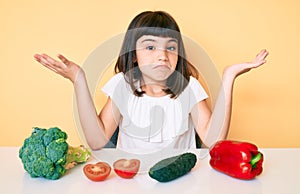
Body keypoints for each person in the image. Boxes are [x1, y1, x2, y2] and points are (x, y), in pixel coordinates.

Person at [34, 11, 268, 153]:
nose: (162, 55)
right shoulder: (122, 86)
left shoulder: (189, 87)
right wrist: (78, 79)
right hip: (130, 182)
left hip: (183, 183)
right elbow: (96, 141)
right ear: (134, 54)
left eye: (171, 48)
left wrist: (228, 78)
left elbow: (212, 141)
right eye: (150, 46)